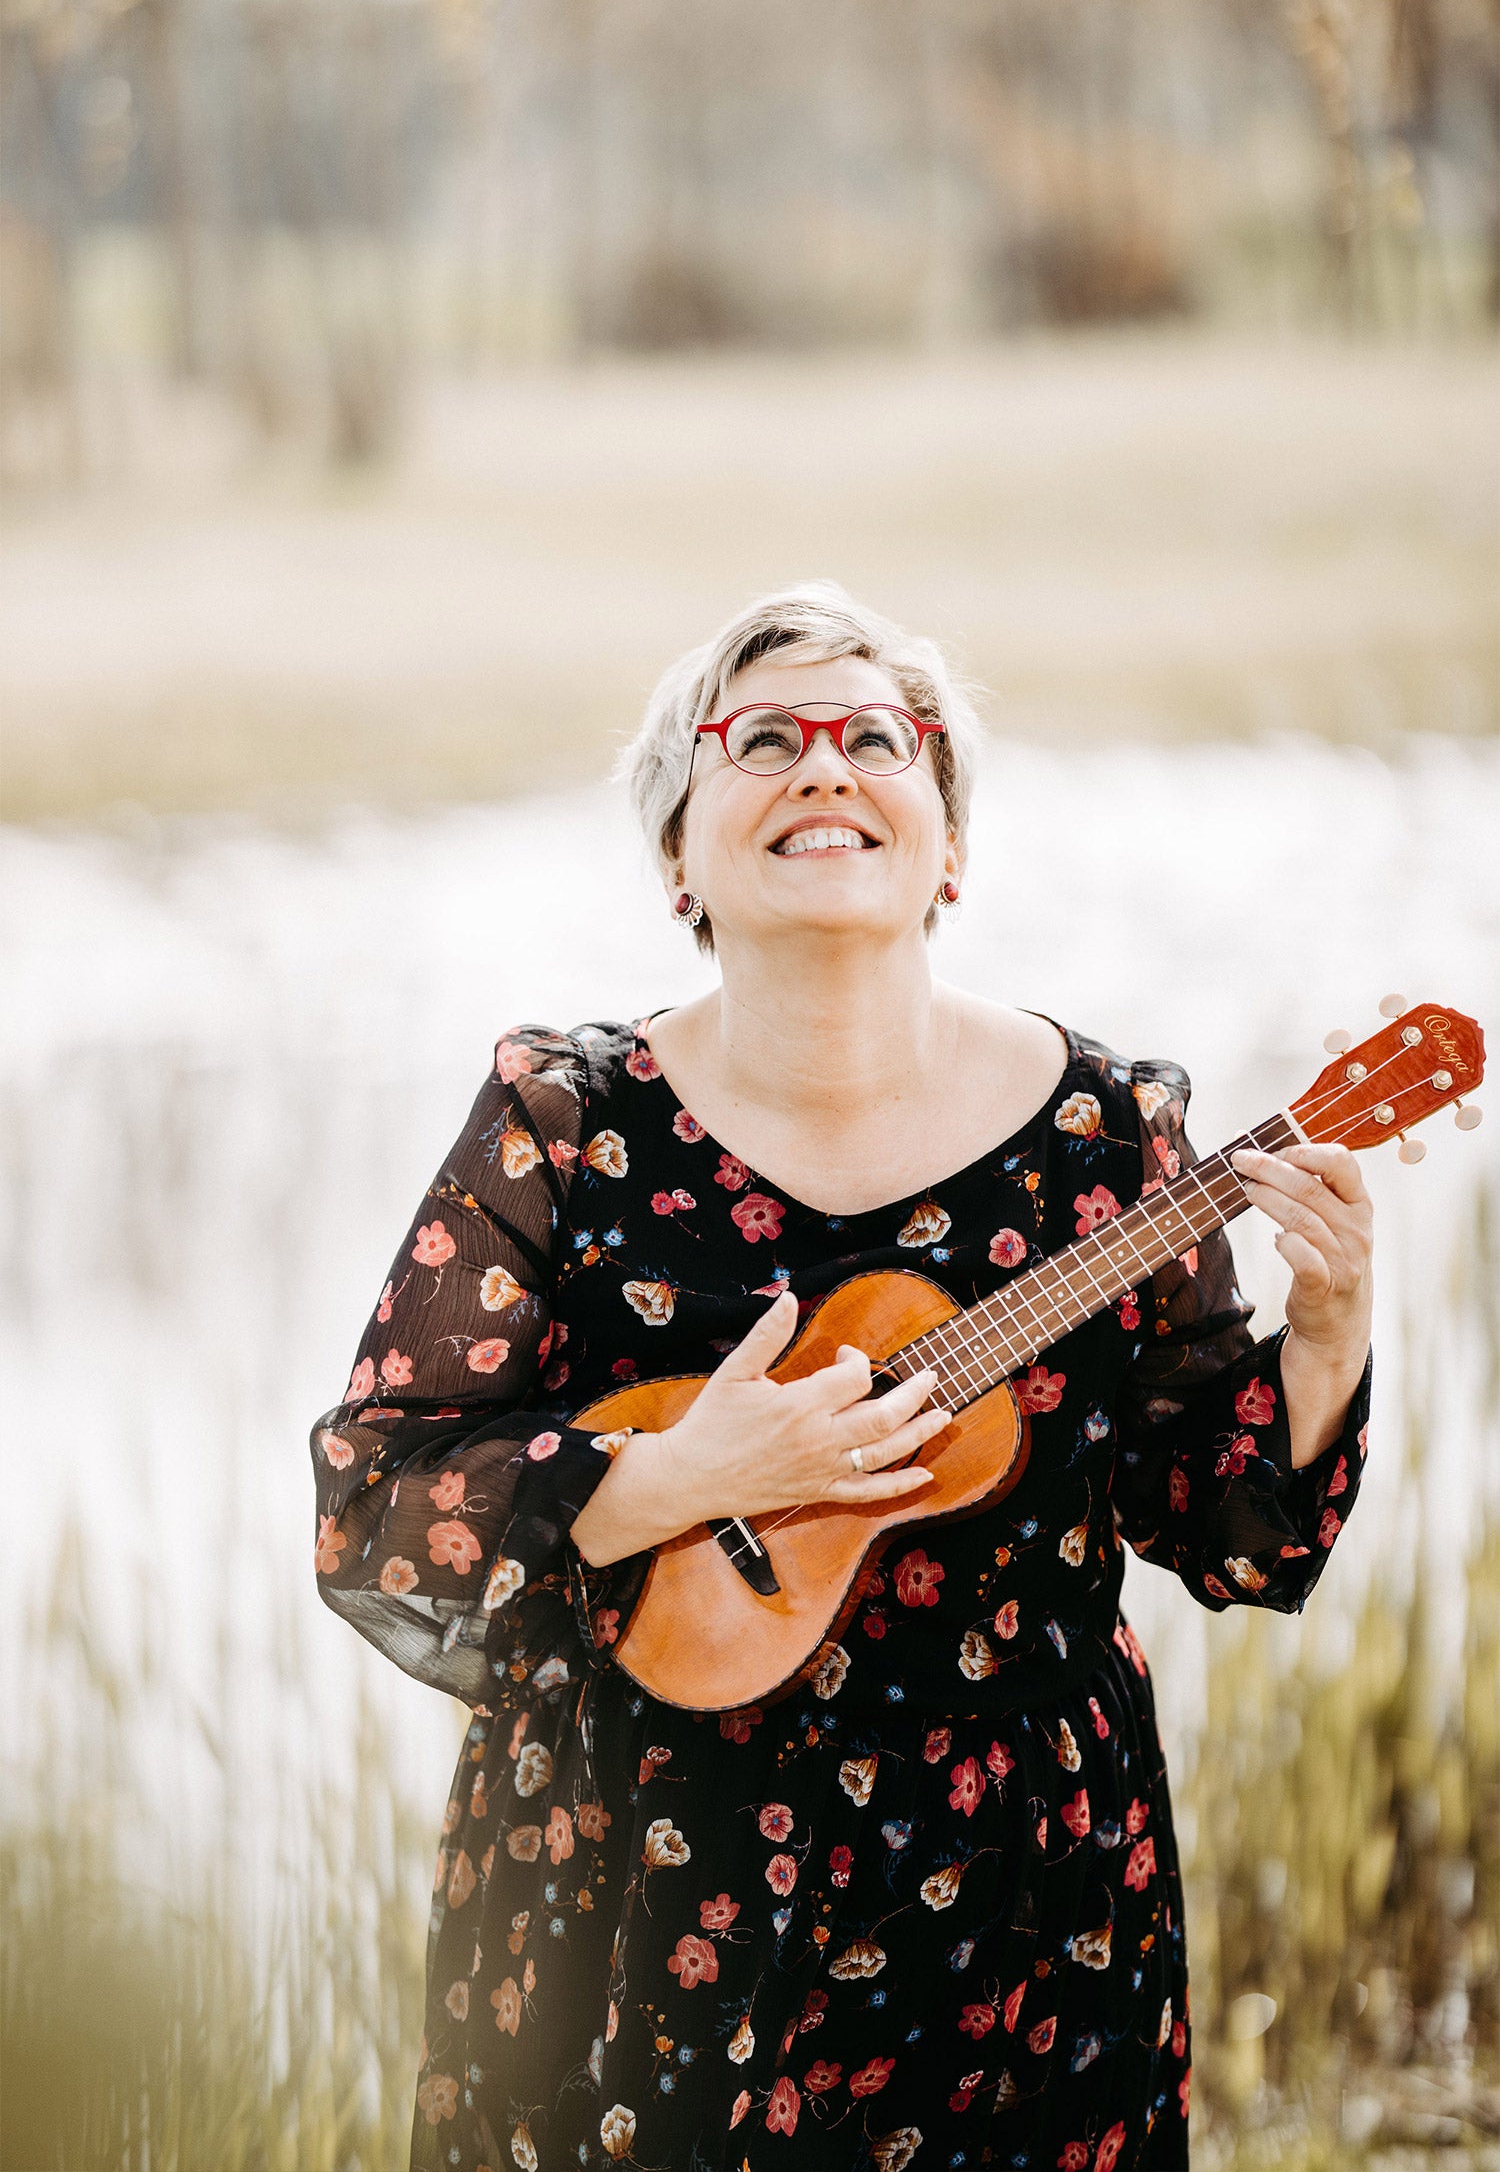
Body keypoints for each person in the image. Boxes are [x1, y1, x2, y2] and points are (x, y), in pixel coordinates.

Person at [311, 584, 1374, 2172]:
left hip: (1018, 1905)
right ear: (677, 852)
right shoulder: (562, 1123)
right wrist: (679, 1476)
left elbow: (1231, 1527)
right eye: (761, 739)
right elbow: (377, 1502)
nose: (824, 763)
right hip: (636, 1892)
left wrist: (1329, 1330)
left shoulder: (1103, 1136)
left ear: (950, 846)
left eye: (879, 736)